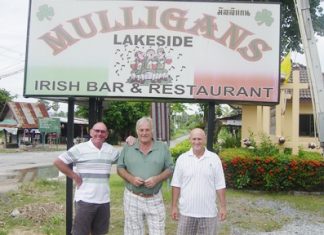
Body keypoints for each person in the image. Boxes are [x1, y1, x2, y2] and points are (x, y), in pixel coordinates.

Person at [53, 122, 119, 235]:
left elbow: (125, 160)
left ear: (107, 134)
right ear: (91, 132)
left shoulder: (111, 150)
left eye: (103, 131)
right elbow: (58, 162)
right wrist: (74, 175)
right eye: (97, 131)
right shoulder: (79, 149)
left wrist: (131, 143)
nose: (99, 134)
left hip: (104, 201)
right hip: (85, 200)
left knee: (100, 233)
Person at [117, 116, 174, 235]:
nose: (144, 133)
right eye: (141, 130)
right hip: (132, 197)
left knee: (158, 231)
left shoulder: (162, 147)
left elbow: (170, 168)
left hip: (154, 198)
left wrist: (157, 179)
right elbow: (120, 167)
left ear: (152, 130)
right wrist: (131, 179)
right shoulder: (129, 146)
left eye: (147, 130)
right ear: (137, 131)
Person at [171, 128, 227, 235]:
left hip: (208, 213)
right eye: (194, 139)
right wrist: (174, 206)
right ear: (190, 140)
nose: (197, 142)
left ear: (205, 139)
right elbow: (176, 185)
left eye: (200, 139)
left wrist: (223, 207)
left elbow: (220, 185)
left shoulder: (214, 159)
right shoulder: (182, 159)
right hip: (186, 212)